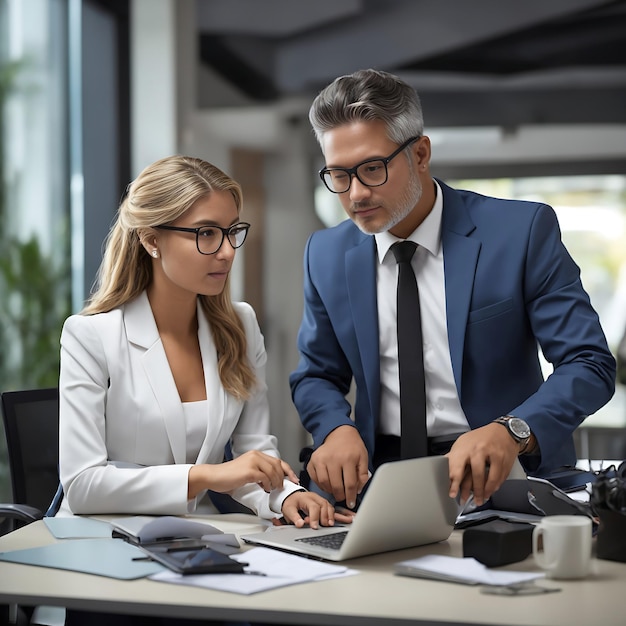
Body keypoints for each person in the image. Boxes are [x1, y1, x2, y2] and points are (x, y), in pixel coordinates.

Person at [290, 69, 617, 512]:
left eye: (372, 168)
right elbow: (317, 374)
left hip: (505, 476)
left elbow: (589, 362)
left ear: (420, 154)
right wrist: (333, 427)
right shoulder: (325, 253)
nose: (356, 194)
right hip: (377, 483)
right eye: (338, 175)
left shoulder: (519, 232)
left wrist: (514, 430)